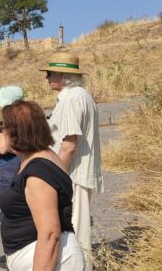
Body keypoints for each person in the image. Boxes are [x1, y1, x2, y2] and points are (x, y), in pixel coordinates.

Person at [0, 100, 84, 270]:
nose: (1, 132)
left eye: (2, 126)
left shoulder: (37, 173)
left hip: (52, 260)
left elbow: (50, 235)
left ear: (15, 132)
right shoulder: (40, 157)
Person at [40, 52, 103, 270]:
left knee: (76, 230)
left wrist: (56, 177)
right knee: (76, 226)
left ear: (62, 75)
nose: (46, 78)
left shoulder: (72, 99)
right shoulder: (79, 96)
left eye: (49, 74)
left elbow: (69, 144)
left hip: (73, 175)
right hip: (76, 173)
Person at [0, 86, 23, 196]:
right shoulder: (24, 118)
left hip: (7, 167)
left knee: (8, 200)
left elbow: (3, 149)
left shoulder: (6, 121)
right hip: (22, 162)